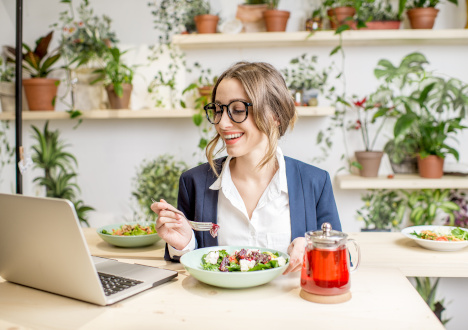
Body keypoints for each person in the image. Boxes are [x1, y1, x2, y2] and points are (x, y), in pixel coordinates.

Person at [151, 61, 341, 274]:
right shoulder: (193, 182)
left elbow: (341, 261)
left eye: (238, 110)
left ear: (275, 116)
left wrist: (314, 250)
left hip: (290, 305)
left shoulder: (315, 182)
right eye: (218, 110)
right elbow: (185, 263)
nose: (222, 123)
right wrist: (184, 243)